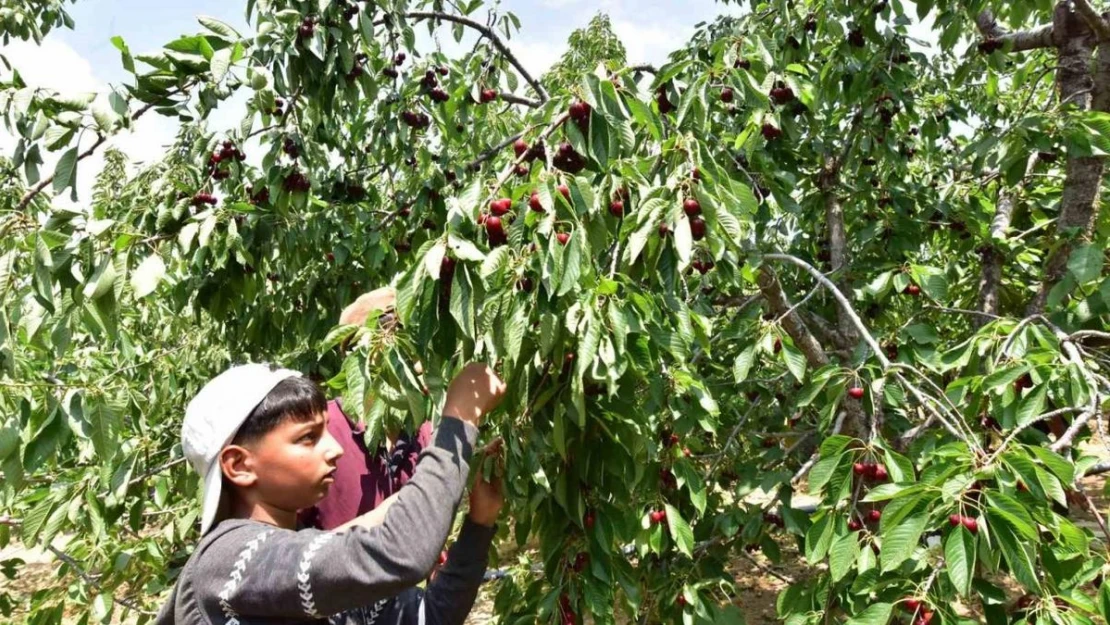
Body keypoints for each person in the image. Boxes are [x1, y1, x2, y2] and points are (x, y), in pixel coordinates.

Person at [155, 360, 507, 625]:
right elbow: (403, 553)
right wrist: (461, 415)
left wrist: (480, 522)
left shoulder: (311, 574)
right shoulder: (228, 560)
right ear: (239, 465)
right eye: (307, 438)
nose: (335, 448)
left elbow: (429, 616)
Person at [297, 287, 433, 532]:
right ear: (366, 355)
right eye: (403, 353)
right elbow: (282, 551)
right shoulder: (318, 433)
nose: (420, 366)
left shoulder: (421, 430)